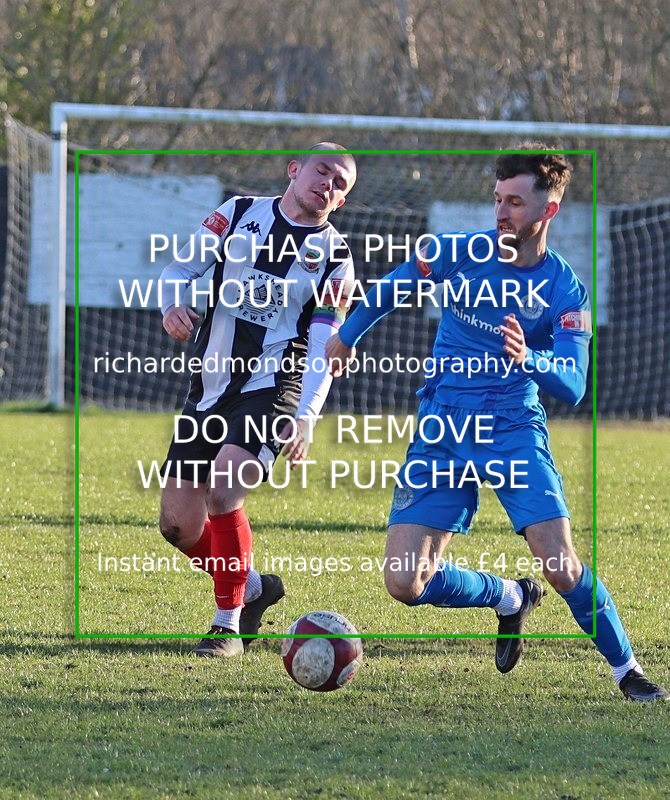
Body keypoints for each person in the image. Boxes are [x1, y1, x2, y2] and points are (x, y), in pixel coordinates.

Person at [325, 143, 668, 702]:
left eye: (514, 201)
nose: (501, 212)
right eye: (497, 199)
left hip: (511, 426)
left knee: (560, 564)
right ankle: (508, 597)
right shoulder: (461, 251)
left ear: (548, 210)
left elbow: (575, 384)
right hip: (443, 425)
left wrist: (528, 359)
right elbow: (396, 284)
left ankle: (627, 670)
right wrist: (346, 336)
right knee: (404, 583)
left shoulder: (564, 290)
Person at [159, 143, 357, 656]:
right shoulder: (237, 213)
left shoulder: (335, 260)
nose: (327, 185)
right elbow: (178, 271)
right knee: (178, 526)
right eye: (322, 172)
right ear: (294, 170)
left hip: (275, 386)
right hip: (210, 385)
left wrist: (307, 417)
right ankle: (250, 585)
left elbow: (323, 347)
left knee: (226, 489)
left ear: (342, 201)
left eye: (340, 185)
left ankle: (227, 625)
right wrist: (171, 306)